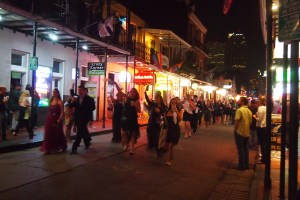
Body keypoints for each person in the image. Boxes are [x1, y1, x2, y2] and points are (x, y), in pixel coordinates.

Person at [111, 80, 141, 154]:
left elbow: (139, 111)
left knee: (133, 133)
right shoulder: (127, 98)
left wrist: (135, 105)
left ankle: (132, 148)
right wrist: (116, 84)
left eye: (134, 92)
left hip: (133, 118)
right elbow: (120, 92)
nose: (132, 93)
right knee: (123, 132)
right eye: (131, 91)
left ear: (136, 94)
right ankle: (126, 143)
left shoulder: (137, 101)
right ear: (129, 93)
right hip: (125, 118)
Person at [40, 88, 67, 154]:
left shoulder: (60, 102)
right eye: (53, 92)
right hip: (50, 119)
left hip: (57, 120)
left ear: (58, 93)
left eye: (55, 92)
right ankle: (48, 149)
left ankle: (60, 146)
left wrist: (59, 120)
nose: (54, 93)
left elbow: (62, 112)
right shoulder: (51, 100)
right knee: (48, 133)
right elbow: (49, 110)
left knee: (57, 134)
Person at [70, 86, 95, 154]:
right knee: (83, 131)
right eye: (78, 90)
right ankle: (87, 142)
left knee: (79, 133)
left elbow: (92, 109)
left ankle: (74, 147)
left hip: (85, 119)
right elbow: (72, 106)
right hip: (78, 118)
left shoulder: (90, 99)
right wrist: (71, 101)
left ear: (84, 91)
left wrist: (90, 119)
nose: (79, 91)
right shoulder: (77, 98)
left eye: (80, 90)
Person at [145, 89, 167, 158]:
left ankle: (159, 152)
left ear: (160, 99)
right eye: (156, 98)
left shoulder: (163, 106)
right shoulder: (154, 104)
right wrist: (145, 93)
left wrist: (159, 111)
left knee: (158, 138)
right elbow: (148, 101)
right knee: (153, 136)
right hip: (153, 123)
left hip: (160, 124)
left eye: (158, 98)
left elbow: (164, 114)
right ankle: (157, 149)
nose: (157, 100)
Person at [234, 97, 252, 171]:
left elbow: (237, 122)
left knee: (240, 149)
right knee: (246, 149)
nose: (237, 101)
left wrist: (235, 130)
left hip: (240, 132)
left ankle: (241, 165)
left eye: (239, 100)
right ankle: (246, 164)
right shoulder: (249, 111)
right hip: (247, 132)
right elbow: (250, 122)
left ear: (242, 102)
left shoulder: (239, 110)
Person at [165, 98, 181, 166]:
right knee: (167, 147)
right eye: (172, 103)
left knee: (171, 146)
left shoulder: (177, 111)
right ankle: (171, 156)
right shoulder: (167, 111)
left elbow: (179, 120)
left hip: (175, 130)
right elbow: (166, 122)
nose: (174, 105)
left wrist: (176, 112)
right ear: (170, 104)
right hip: (169, 130)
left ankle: (169, 160)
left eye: (175, 103)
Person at [254, 96, 266, 164]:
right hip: (265, 127)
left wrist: (255, 117)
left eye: (258, 100)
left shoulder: (260, 108)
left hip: (261, 127)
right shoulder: (266, 108)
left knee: (262, 143)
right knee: (264, 143)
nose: (257, 101)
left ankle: (263, 159)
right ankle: (264, 158)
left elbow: (259, 119)